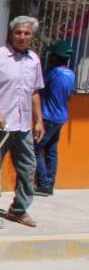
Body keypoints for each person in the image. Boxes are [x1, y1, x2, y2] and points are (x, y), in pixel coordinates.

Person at [0, 16, 45, 227]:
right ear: (11, 34)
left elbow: (34, 92)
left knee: (28, 167)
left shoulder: (34, 60)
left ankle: (18, 210)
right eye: (18, 32)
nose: (22, 36)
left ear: (32, 36)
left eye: (26, 33)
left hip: (22, 125)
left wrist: (39, 121)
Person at [35, 39, 76, 196]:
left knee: (35, 148)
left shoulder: (52, 73)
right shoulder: (71, 74)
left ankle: (44, 184)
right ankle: (50, 183)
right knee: (51, 150)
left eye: (51, 55)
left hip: (48, 117)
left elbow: (38, 88)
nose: (49, 57)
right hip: (61, 116)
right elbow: (69, 96)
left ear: (57, 57)